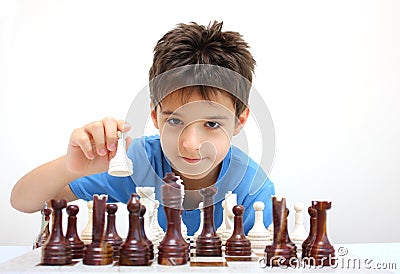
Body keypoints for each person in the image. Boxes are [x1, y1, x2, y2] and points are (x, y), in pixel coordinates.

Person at [10, 21, 275, 235]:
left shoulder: (253, 189)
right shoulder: (137, 161)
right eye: (175, 121)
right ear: (155, 116)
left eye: (212, 124)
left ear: (239, 121)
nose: (191, 144)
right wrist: (73, 165)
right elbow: (23, 201)